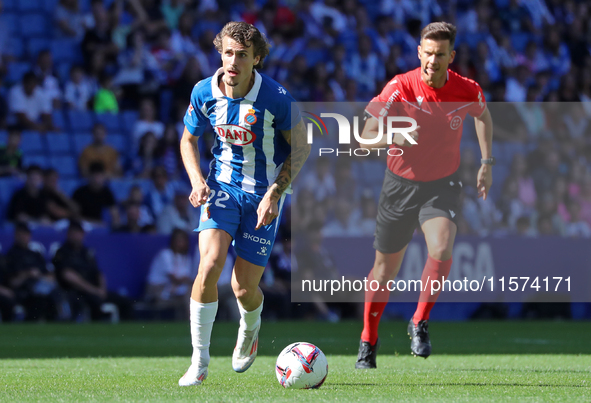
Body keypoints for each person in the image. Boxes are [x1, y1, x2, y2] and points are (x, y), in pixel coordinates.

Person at [355, 22, 494, 368]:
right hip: (399, 185)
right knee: (384, 271)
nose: (433, 60)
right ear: (419, 53)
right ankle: (368, 340)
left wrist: (486, 162)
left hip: (442, 185)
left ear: (452, 56)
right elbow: (364, 135)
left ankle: (419, 321)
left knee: (443, 244)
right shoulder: (399, 87)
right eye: (427, 53)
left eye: (440, 54)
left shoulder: (467, 89)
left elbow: (483, 116)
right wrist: (394, 137)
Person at [177, 21, 309, 386]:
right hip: (221, 188)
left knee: (242, 289)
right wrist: (197, 180)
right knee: (210, 263)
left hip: (263, 195)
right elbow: (188, 140)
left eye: (243, 56)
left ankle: (250, 329)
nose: (233, 62)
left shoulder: (275, 99)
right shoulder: (204, 92)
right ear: (220, 53)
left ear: (258, 59)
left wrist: (275, 193)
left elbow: (302, 146)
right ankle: (199, 362)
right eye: (228, 53)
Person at [53, 221, 132, 321]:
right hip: (76, 292)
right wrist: (93, 290)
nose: (76, 236)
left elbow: (98, 273)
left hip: (95, 290)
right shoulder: (62, 253)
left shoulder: (87, 252)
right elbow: (68, 276)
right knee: (94, 301)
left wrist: (102, 290)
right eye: (73, 233)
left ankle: (125, 330)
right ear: (68, 234)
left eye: (79, 233)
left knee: (125, 302)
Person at [5, 222, 65, 321]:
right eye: (21, 234)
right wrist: (28, 274)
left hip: (41, 287)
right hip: (24, 291)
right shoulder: (10, 256)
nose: (24, 237)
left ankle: (61, 318)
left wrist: (46, 277)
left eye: (26, 234)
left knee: (55, 292)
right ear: (16, 235)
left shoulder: (35, 254)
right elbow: (12, 282)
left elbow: (47, 273)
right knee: (39, 299)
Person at [146, 228, 194, 319]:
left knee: (190, 293)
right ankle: (191, 321)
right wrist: (187, 281)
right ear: (173, 241)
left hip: (174, 288)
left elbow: (186, 278)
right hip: (157, 289)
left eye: (182, 240)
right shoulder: (165, 254)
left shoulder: (186, 258)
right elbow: (175, 278)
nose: (180, 243)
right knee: (188, 293)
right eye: (177, 240)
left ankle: (190, 322)